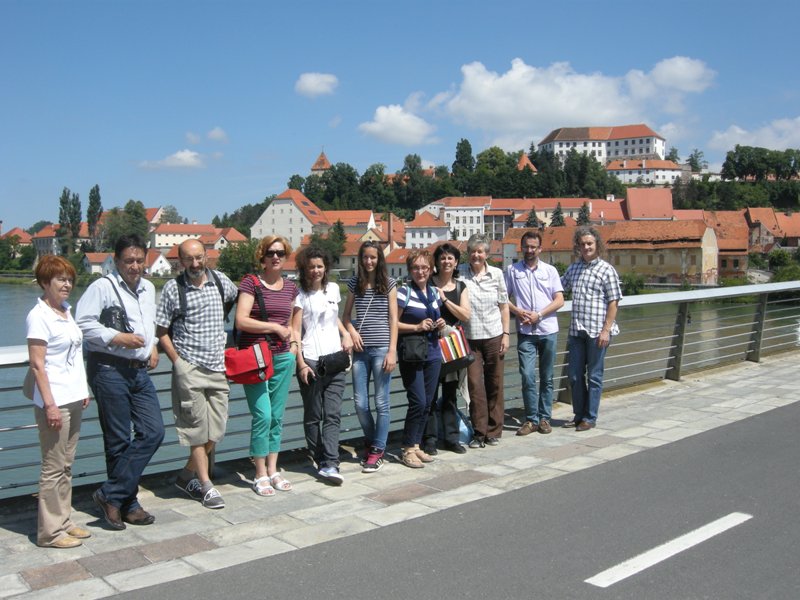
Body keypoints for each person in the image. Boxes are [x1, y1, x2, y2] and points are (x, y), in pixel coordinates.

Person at [76, 234, 164, 530]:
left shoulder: (149, 288)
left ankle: (110, 494)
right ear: (116, 261)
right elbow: (83, 323)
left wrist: (151, 345)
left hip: (138, 369)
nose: (135, 266)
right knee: (118, 441)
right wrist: (117, 337)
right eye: (128, 261)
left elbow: (148, 323)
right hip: (108, 368)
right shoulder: (102, 287)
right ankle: (128, 504)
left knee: (153, 432)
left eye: (139, 260)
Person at [156, 239, 238, 509]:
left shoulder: (221, 281)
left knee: (217, 430)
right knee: (196, 431)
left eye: (199, 257)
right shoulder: (173, 289)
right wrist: (178, 362)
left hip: (217, 367)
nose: (195, 263)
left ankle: (185, 477)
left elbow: (234, 299)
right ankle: (206, 485)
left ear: (206, 256)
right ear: (180, 261)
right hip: (189, 368)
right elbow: (161, 332)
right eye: (189, 259)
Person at [26, 255, 91, 548]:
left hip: (73, 397)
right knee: (53, 467)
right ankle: (49, 533)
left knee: (66, 463)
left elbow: (73, 356)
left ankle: (64, 521)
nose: (66, 284)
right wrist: (50, 405)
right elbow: (38, 365)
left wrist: (83, 389)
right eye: (60, 279)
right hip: (55, 402)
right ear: (45, 282)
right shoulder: (38, 316)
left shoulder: (65, 311)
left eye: (69, 279)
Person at [234, 235, 298, 496]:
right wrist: (273, 327)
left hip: (283, 358)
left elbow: (291, 323)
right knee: (263, 415)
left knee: (277, 417)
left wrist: (294, 347)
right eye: (270, 252)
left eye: (280, 253)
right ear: (262, 256)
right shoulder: (251, 283)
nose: (275, 257)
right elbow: (241, 320)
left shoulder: (291, 287)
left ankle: (273, 469)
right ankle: (259, 472)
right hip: (255, 359)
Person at [292, 246, 353, 485]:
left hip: (335, 358)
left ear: (325, 267)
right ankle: (320, 459)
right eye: (311, 267)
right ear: (304, 269)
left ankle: (331, 463)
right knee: (313, 414)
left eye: (319, 266)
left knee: (333, 414)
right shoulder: (299, 295)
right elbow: (295, 331)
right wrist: (300, 363)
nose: (316, 270)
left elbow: (334, 316)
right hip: (311, 360)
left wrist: (345, 334)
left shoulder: (334, 289)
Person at [342, 241, 398, 474]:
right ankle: (372, 440)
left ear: (379, 259)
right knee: (360, 403)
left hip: (382, 348)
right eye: (365, 257)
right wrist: (352, 332)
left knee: (381, 402)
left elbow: (393, 319)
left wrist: (392, 350)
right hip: (360, 350)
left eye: (373, 257)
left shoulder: (390, 284)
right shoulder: (354, 283)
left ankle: (377, 449)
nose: (369, 261)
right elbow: (345, 316)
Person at [561, 226, 622, 431]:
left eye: (590, 243)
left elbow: (614, 302)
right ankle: (578, 415)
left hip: (597, 332)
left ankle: (590, 417)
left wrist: (606, 330)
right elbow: (558, 288)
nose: (586, 247)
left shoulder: (606, 270)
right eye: (582, 244)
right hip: (577, 331)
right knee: (575, 376)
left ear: (597, 245)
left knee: (594, 376)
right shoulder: (574, 268)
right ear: (578, 246)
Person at [505, 231, 564, 436]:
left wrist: (539, 315)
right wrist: (517, 311)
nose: (529, 250)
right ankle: (531, 419)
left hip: (548, 330)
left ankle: (544, 418)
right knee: (527, 375)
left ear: (540, 249)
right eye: (526, 246)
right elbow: (503, 298)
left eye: (533, 247)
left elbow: (559, 300)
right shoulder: (512, 270)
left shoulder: (550, 271)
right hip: (525, 332)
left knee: (547, 377)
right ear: (521, 248)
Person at [460, 233, 510, 448]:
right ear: (468, 253)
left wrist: (506, 334)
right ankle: (479, 432)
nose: (476, 255)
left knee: (495, 383)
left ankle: (494, 431)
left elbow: (504, 306)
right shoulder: (460, 273)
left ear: (486, 254)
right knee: (474, 385)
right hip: (470, 338)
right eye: (473, 251)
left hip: (493, 335)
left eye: (480, 251)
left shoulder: (496, 274)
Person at [397, 249, 445, 468]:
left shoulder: (434, 292)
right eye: (416, 268)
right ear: (410, 270)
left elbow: (436, 317)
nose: (421, 271)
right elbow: (393, 324)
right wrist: (416, 327)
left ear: (431, 269)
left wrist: (441, 323)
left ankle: (416, 445)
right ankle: (407, 448)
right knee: (418, 401)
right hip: (412, 353)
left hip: (433, 351)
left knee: (428, 402)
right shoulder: (403, 292)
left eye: (424, 267)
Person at [422, 243, 471, 454]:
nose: (446, 261)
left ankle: (452, 439)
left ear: (456, 262)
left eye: (450, 258)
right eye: (442, 258)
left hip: (452, 347)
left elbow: (466, 315)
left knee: (450, 394)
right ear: (436, 262)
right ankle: (430, 440)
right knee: (430, 395)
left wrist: (444, 300)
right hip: (430, 344)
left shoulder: (460, 287)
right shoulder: (427, 282)